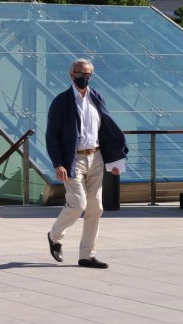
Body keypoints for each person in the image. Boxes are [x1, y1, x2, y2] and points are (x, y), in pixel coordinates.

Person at [44, 58, 127, 268]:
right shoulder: (61, 102)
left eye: (88, 73)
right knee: (78, 204)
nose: (84, 77)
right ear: (71, 74)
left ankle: (86, 255)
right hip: (73, 160)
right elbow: (51, 136)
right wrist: (58, 163)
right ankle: (55, 237)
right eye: (80, 73)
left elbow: (106, 129)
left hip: (96, 157)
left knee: (96, 207)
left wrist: (115, 159)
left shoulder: (96, 97)